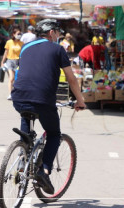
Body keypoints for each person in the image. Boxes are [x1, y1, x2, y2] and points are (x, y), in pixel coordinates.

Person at [11, 19, 86, 195]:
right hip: (43, 99)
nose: (58, 36)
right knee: (53, 134)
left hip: (18, 97)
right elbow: (71, 78)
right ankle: (43, 171)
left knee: (26, 114)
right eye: (58, 33)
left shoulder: (25, 47)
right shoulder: (58, 49)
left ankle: (24, 153)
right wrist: (80, 100)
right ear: (51, 32)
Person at [1, 28, 24, 100]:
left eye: (20, 34)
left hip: (18, 62)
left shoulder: (22, 43)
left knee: (16, 80)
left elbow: (23, 53)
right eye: (18, 34)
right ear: (13, 34)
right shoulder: (9, 42)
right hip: (10, 61)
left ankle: (16, 93)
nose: (19, 35)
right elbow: (6, 53)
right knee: (11, 78)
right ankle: (11, 94)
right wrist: (2, 62)